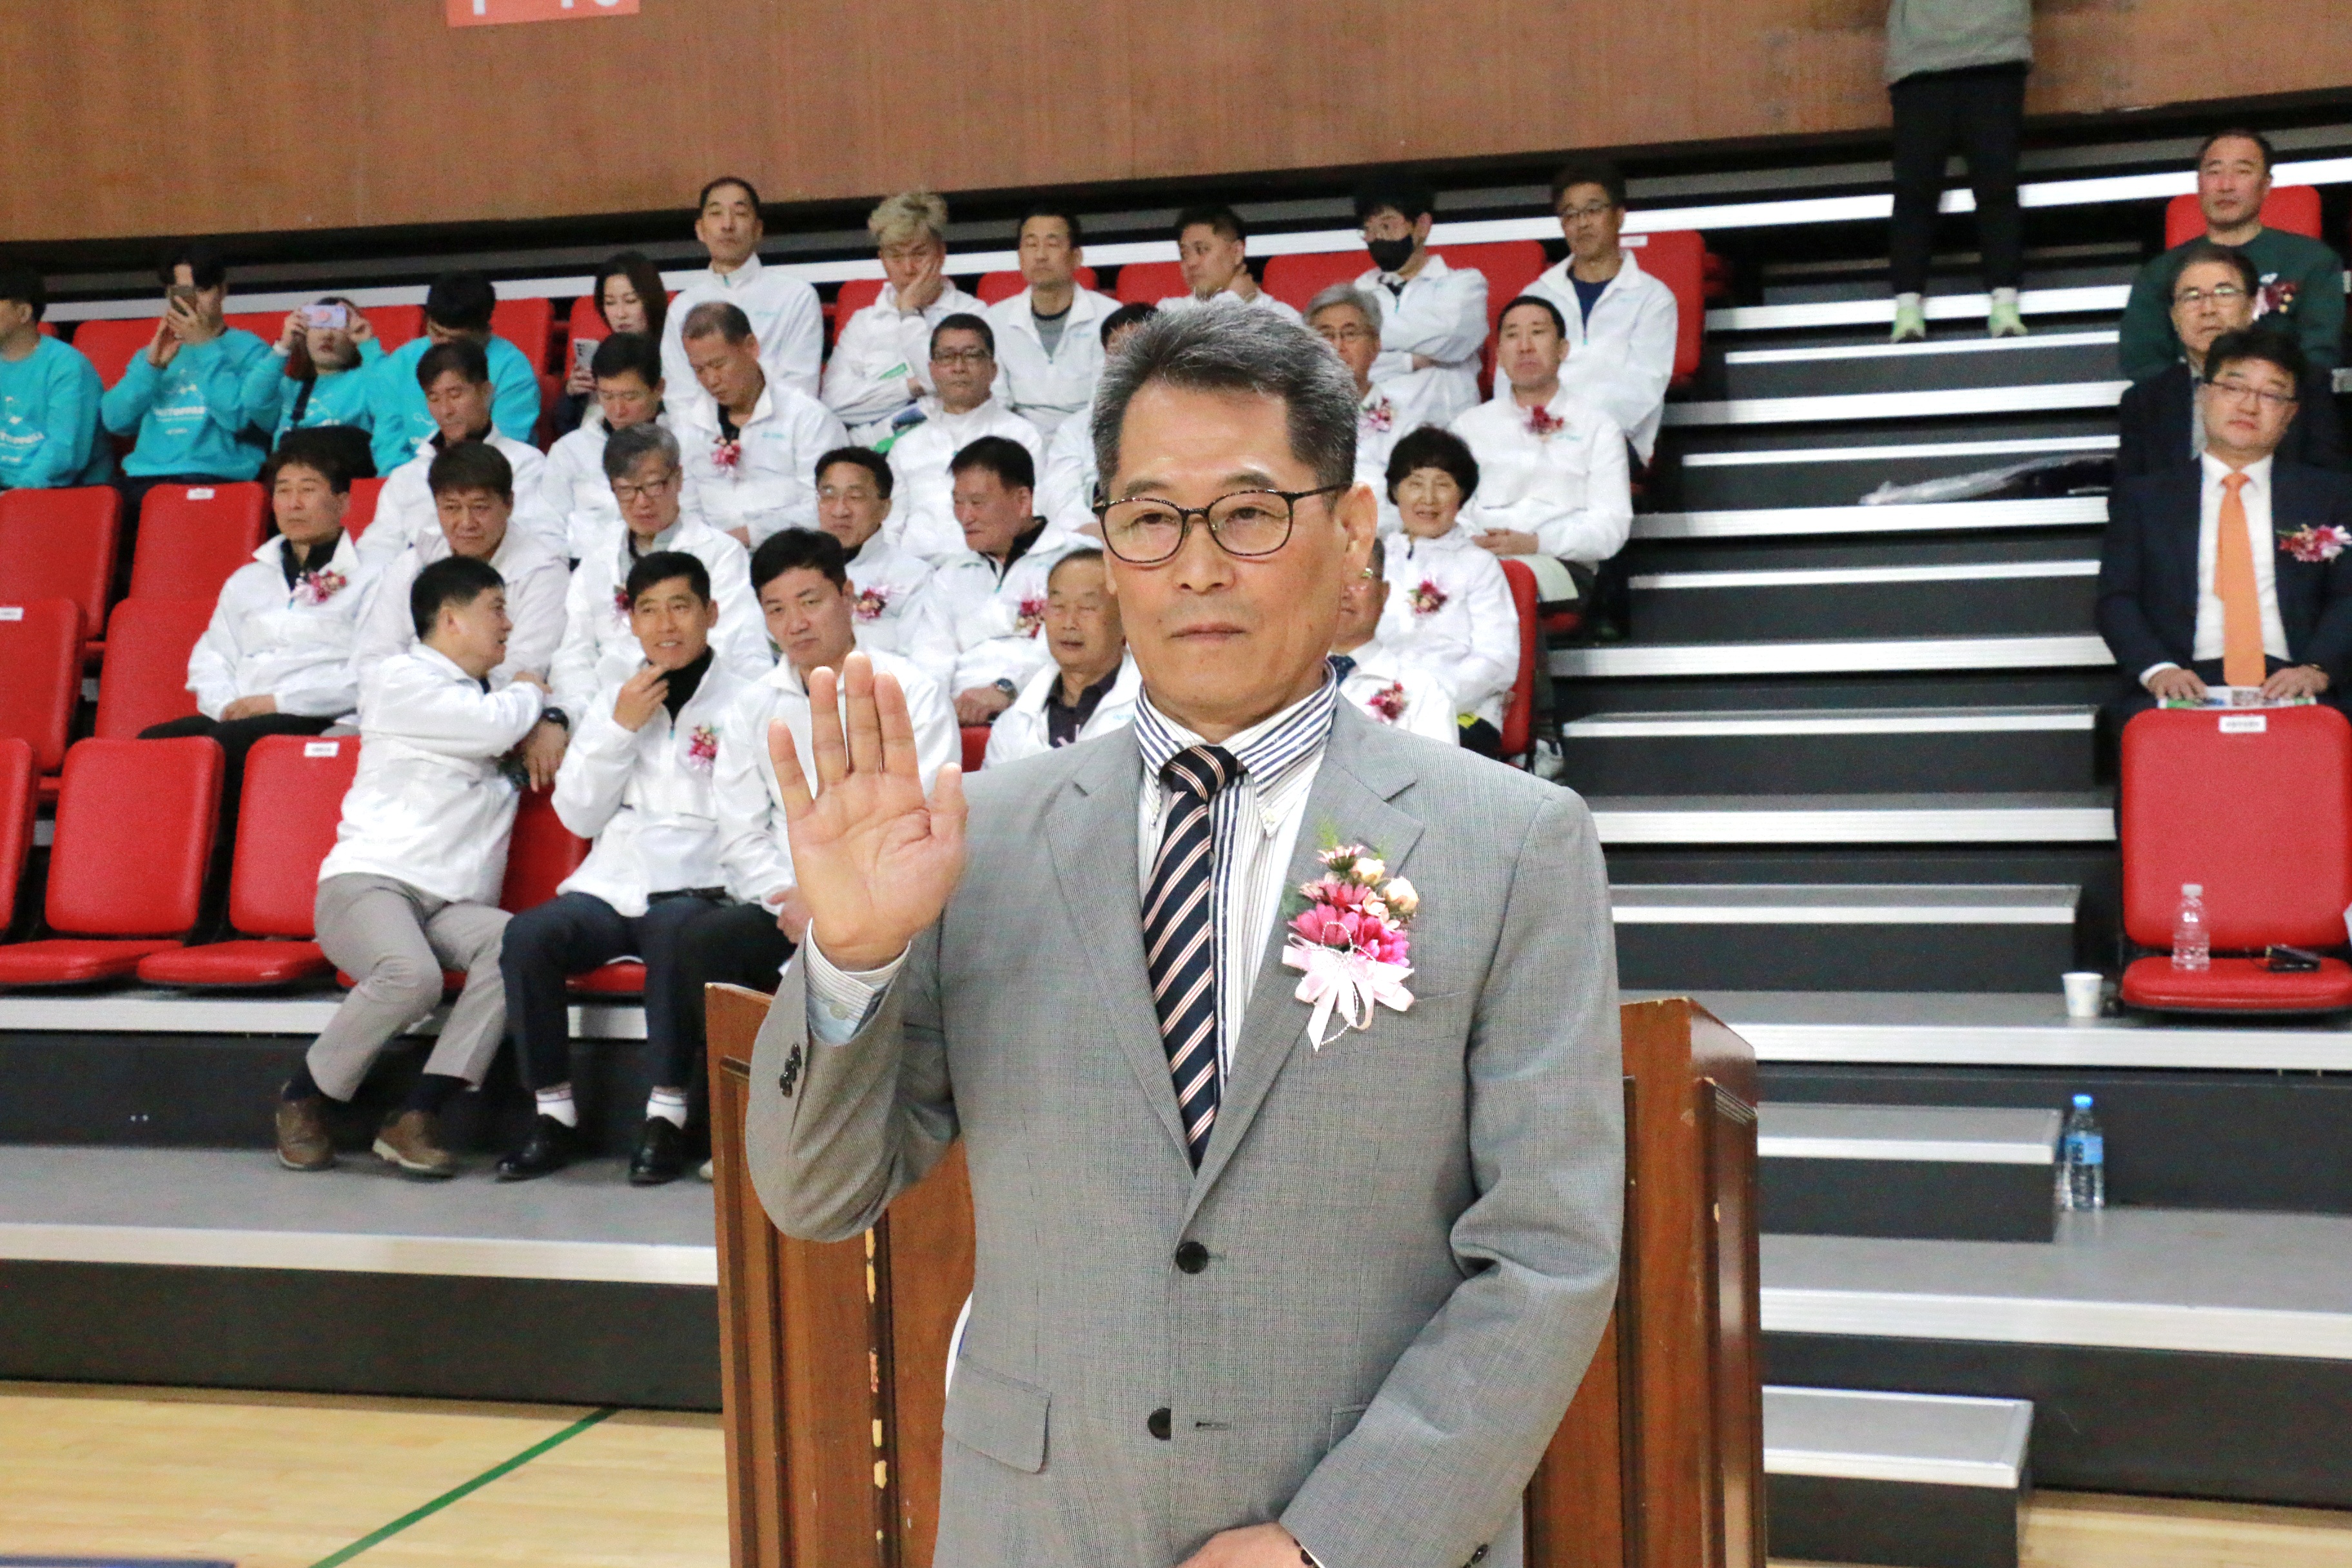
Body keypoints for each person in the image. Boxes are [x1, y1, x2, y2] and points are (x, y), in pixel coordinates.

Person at [744, 303, 1621, 1568]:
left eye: (1249, 513)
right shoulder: (979, 838)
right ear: (1106, 543)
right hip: (1040, 1530)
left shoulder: (1511, 843)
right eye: (1152, 519)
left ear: (1350, 530)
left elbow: (1547, 1251)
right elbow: (817, 1195)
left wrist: (1333, 1543)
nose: (1197, 567)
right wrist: (850, 958)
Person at [273, 554, 548, 1177]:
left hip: (448, 902)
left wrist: (547, 714)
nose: (508, 624)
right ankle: (303, 1097)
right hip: (369, 883)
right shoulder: (400, 678)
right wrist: (536, 689)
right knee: (412, 976)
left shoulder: (485, 694)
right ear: (451, 620)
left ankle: (418, 1115)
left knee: (519, 945)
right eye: (496, 609)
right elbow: (492, 729)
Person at [496, 551, 760, 1184]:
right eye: (649, 610)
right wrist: (618, 728)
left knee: (674, 932)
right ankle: (552, 1114)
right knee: (528, 936)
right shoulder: (617, 695)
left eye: (680, 607)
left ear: (711, 613)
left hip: (702, 877)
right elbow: (579, 814)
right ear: (631, 622)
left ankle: (666, 1115)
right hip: (615, 880)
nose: (665, 624)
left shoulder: (749, 699)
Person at [692, 531, 957, 1151]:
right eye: (776, 608)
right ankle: (728, 1135)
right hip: (786, 904)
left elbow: (923, 817)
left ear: (847, 595)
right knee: (700, 942)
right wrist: (793, 898)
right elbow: (740, 831)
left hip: (887, 898)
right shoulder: (752, 706)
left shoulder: (908, 689)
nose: (795, 623)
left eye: (810, 601)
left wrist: (838, 900)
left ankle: (858, 1136)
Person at [147, 433, 377, 933]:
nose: (293, 503)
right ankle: (154, 900)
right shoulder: (247, 579)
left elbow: (371, 673)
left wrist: (276, 701)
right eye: (283, 490)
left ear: (343, 502)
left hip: (318, 713)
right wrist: (227, 705)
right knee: (154, 747)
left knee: (229, 747)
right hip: (239, 715)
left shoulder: (374, 577)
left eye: (308, 489)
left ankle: (220, 910)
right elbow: (211, 655)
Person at [2098, 330, 2352, 718]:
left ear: (2290, 414)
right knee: (2133, 727)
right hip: (2183, 675)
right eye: (2234, 388)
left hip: (2296, 674)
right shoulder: (2144, 499)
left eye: (2271, 395)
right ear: (2204, 395)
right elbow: (2117, 599)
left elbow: (2348, 595)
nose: (2249, 406)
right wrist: (2158, 669)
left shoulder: (2330, 496)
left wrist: (2317, 669)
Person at [352, 444, 572, 799]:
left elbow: (524, 666)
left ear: (509, 503)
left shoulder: (542, 570)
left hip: (491, 713)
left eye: (480, 508)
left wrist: (461, 715)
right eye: (451, 508)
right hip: (410, 712)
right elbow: (377, 653)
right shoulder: (415, 561)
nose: (466, 523)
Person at [553, 422, 765, 719]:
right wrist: (585, 715)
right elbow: (575, 653)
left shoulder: (721, 553)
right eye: (626, 490)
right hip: (607, 711)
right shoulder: (597, 559)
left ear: (678, 479)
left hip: (696, 706)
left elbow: (738, 648)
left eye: (654, 486)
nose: (641, 502)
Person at [2119, 130, 2348, 382]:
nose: (2226, 185)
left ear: (2266, 185)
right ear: (2199, 183)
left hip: (2283, 397)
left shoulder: (2312, 260)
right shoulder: (2160, 272)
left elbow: (2319, 355)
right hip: (2188, 400)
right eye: (2214, 172)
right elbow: (2143, 361)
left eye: (2242, 171)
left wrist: (2261, 393)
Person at [2116, 245, 2344, 478]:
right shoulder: (2145, 401)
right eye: (2192, 296)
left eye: (2224, 293)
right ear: (2174, 317)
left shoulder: (2304, 385)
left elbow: (2329, 485)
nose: (2207, 309)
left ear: (2251, 306)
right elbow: (2129, 494)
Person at [1880, 0, 2033, 343]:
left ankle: (2005, 301)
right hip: (1922, 59)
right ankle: (1908, 307)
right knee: (1916, 190)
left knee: (1996, 186)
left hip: (1995, 53)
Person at [905, 436, 1078, 725]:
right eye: (958, 503)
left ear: (1023, 501)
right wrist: (933, 709)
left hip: (1045, 707)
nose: (965, 517)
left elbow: (1069, 647)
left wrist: (1007, 688)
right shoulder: (950, 575)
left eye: (977, 503)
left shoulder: (1076, 560)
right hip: (956, 714)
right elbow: (931, 657)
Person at [1451, 297, 1634, 567]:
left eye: (1537, 333)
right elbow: (1452, 512)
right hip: (1480, 560)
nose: (1525, 346)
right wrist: (1478, 546)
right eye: (1513, 335)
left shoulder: (1598, 427)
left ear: (1563, 349)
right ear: (1499, 355)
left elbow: (1611, 527)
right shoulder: (1468, 426)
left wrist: (1537, 543)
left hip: (1561, 561)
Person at [1376, 427, 1520, 757]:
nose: (1428, 499)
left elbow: (1497, 661)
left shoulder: (1479, 565)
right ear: (1395, 491)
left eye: (1442, 484)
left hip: (1461, 711)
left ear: (1462, 495)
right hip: (1375, 710)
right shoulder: (1371, 561)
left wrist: (1423, 701)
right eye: (1415, 484)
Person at [101, 244, 273, 514]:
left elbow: (240, 419)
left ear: (222, 291)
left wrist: (205, 347)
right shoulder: (154, 353)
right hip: (144, 479)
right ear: (169, 294)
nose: (193, 302)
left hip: (216, 477)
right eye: (182, 293)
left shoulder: (251, 350)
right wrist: (150, 368)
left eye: (202, 290)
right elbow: (115, 422)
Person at [1526, 161, 1680, 464]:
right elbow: (1514, 378)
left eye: (1593, 209)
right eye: (1570, 213)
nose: (1582, 223)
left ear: (1619, 216)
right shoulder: (1536, 296)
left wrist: (1575, 435)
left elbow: (1643, 389)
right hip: (1539, 441)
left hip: (1614, 443)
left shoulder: (1652, 298)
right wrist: (1539, 432)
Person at [356, 339, 560, 569]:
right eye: (434, 398)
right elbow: (379, 547)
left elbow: (535, 540)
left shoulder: (525, 463)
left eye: (455, 395)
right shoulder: (406, 476)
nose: (445, 410)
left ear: (486, 392)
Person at [672, 300, 850, 546]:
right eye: (699, 369)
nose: (711, 380)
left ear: (751, 347)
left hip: (794, 553)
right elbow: (684, 507)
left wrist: (747, 536)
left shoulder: (809, 418)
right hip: (711, 556)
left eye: (719, 364)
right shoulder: (687, 426)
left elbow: (826, 505)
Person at [823, 190, 987, 445]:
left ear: (941, 253)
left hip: (948, 446)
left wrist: (909, 313)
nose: (909, 268)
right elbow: (834, 404)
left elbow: (959, 392)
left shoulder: (972, 314)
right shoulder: (864, 323)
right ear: (882, 259)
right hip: (869, 453)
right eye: (896, 256)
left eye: (919, 254)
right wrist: (913, 386)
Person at [883, 315, 1044, 562]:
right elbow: (890, 528)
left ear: (993, 369)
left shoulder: (1023, 435)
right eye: (947, 356)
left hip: (995, 566)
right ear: (932, 370)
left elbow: (1035, 514)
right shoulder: (907, 445)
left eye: (971, 356)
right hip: (916, 570)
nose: (959, 367)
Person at [359, 270, 542, 473]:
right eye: (437, 333)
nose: (443, 346)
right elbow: (389, 448)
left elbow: (503, 454)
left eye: (457, 341)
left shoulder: (513, 370)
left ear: (484, 332)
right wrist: (408, 484)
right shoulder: (401, 363)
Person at [660, 179, 823, 402]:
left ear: (758, 229)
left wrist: (751, 421)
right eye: (716, 213)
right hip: (706, 425)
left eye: (740, 213)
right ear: (700, 230)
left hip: (782, 422)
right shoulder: (683, 307)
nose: (727, 225)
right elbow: (680, 395)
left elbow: (800, 389)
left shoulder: (796, 296)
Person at [984, 547, 1141, 765]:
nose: (1069, 623)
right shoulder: (1016, 720)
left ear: (1126, 617)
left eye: (1087, 608)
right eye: (1058, 607)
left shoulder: (1157, 710)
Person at [1349, 175, 1487, 423]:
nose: (1377, 237)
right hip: (1375, 430)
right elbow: (1346, 360)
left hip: (1447, 427)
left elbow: (1449, 336)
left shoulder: (1464, 284)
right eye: (1369, 229)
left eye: (1387, 226)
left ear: (1422, 226)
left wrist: (1367, 335)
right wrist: (1410, 361)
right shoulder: (1357, 292)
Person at [1307, 284, 1445, 531]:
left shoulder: (1408, 429)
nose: (1338, 346)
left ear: (1375, 346)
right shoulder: (1289, 420)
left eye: (1350, 334)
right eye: (1326, 335)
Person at [540, 331, 681, 557]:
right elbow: (547, 529)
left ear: (659, 389)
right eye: (607, 396)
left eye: (630, 397)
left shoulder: (686, 442)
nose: (618, 410)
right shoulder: (569, 450)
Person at [986, 206, 1119, 434]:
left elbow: (1108, 403)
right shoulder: (995, 320)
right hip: (1017, 441)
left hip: (1088, 438)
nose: (1040, 255)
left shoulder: (1110, 317)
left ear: (1077, 257)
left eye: (1052, 244)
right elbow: (997, 404)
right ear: (1019, 256)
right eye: (1031, 244)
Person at [1038, 301, 1155, 534]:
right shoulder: (1075, 428)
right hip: (1093, 536)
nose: (1127, 357)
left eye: (1138, 345)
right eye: (1118, 350)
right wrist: (1095, 531)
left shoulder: (1190, 417)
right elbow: (1059, 495)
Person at [1329, 536, 1458, 745]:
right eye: (1332, 575)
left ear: (1384, 593)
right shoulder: (1285, 682)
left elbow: (1440, 767)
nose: (1344, 592)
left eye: (1362, 576)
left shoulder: (1423, 692)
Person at [812, 446, 935, 656]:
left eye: (855, 496)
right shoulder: (793, 571)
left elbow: (919, 657)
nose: (840, 510)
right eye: (829, 495)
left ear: (885, 509)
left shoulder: (915, 577)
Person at [0, 264, 108, 490]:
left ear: (23, 313)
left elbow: (64, 452)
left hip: (61, 493)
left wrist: (16, 496)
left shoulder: (69, 367)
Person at [240, 297, 384, 455]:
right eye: (319, 325)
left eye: (338, 325)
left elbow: (391, 398)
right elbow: (253, 400)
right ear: (305, 335)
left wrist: (367, 344)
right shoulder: (289, 388)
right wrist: (284, 346)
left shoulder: (366, 381)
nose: (327, 335)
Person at [553, 251, 669, 439]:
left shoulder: (674, 353)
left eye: (631, 301)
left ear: (651, 301)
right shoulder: (600, 354)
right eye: (610, 303)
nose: (620, 314)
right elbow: (566, 430)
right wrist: (573, 396)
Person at [1160, 204, 1302, 324]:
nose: (1191, 263)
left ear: (1237, 252)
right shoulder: (1169, 313)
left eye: (1202, 250)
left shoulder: (1282, 317)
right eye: (1184, 254)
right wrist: (1234, 300)